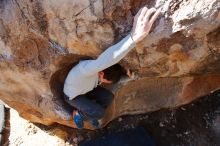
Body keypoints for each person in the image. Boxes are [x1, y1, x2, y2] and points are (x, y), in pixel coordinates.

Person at [63, 6, 161, 129]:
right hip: (73, 96)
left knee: (108, 97)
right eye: (105, 82)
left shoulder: (101, 72)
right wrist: (133, 38)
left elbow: (113, 73)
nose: (105, 83)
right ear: (102, 74)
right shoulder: (86, 69)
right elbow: (109, 58)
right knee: (100, 113)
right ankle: (80, 114)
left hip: (86, 90)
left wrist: (130, 76)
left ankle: (90, 113)